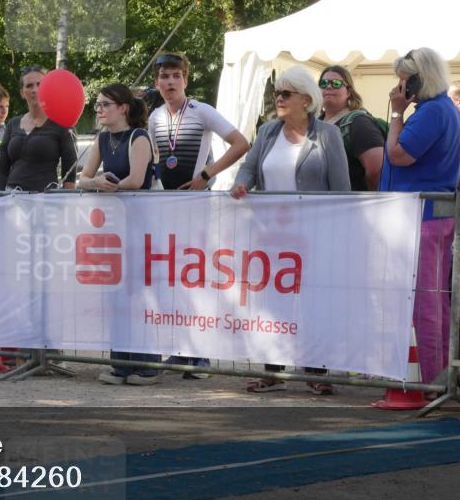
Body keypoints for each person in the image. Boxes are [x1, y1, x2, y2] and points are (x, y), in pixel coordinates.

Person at [231, 65, 350, 394]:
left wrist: (339, 233)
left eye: (286, 93)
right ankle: (272, 371)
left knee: (313, 303)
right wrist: (242, 184)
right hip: (273, 237)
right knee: (273, 304)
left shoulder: (327, 135)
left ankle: (316, 371)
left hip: (314, 236)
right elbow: (249, 167)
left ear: (306, 100)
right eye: (276, 93)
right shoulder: (268, 131)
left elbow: (342, 189)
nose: (278, 98)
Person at [148, 52, 251, 378]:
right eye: (164, 76)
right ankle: (180, 351)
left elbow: (241, 143)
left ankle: (202, 356)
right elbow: (157, 160)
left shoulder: (202, 111)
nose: (170, 82)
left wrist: (206, 175)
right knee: (174, 283)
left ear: (186, 80)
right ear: (157, 82)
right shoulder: (154, 118)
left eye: (176, 76)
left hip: (199, 208)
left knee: (198, 281)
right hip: (170, 210)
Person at [381, 48, 460, 386]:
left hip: (424, 218)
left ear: (418, 79)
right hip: (433, 214)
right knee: (435, 300)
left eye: (404, 79)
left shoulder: (431, 112)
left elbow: (399, 155)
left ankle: (432, 378)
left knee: (425, 302)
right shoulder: (446, 110)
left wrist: (396, 115)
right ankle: (439, 375)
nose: (400, 87)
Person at [78, 84, 159, 385]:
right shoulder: (101, 139)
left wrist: (106, 184)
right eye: (97, 105)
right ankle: (121, 363)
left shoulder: (139, 138)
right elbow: (84, 178)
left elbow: (137, 180)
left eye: (104, 105)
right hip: (113, 228)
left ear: (123, 107)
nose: (98, 110)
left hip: (139, 224)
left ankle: (147, 364)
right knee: (116, 295)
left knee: (139, 296)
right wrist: (97, 181)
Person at [0, 66, 77, 192]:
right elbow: (0, 170)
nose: (35, 90)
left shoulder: (62, 124)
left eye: (40, 84)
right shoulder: (13, 123)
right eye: (29, 86)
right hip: (12, 200)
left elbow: (70, 177)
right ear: (22, 92)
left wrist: (66, 206)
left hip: (46, 201)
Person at [317, 65, 385, 191]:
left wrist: (368, 200)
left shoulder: (359, 123)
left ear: (349, 92)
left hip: (351, 205)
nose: (328, 87)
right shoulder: (314, 124)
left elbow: (377, 169)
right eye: (323, 83)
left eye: (336, 83)